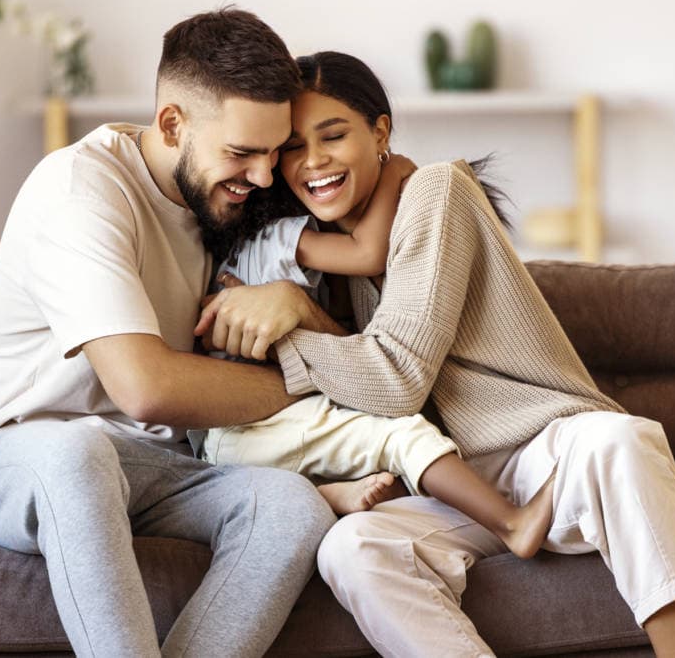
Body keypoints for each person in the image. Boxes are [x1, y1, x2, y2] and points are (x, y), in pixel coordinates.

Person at [196, 51, 675, 657]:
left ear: (380, 132)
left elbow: (396, 379)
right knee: (352, 548)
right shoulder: (327, 247)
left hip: (545, 453)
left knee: (620, 441)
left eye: (333, 135)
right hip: (457, 484)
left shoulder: (436, 190)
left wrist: (285, 325)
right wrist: (297, 306)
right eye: (292, 148)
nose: (312, 162)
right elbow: (366, 371)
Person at [0, 9, 336, 658]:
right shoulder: (81, 187)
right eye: (242, 152)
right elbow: (144, 387)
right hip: (17, 464)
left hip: (160, 467)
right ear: (174, 123)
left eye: (273, 151)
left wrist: (293, 301)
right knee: (80, 452)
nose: (265, 176)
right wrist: (297, 383)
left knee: (293, 506)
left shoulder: (231, 201)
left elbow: (356, 332)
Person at [197, 153, 559, 559]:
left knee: (363, 442)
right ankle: (512, 524)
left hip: (237, 441)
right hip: (245, 432)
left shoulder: (240, 248)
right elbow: (365, 251)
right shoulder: (278, 237)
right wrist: (391, 171)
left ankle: (328, 494)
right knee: (402, 434)